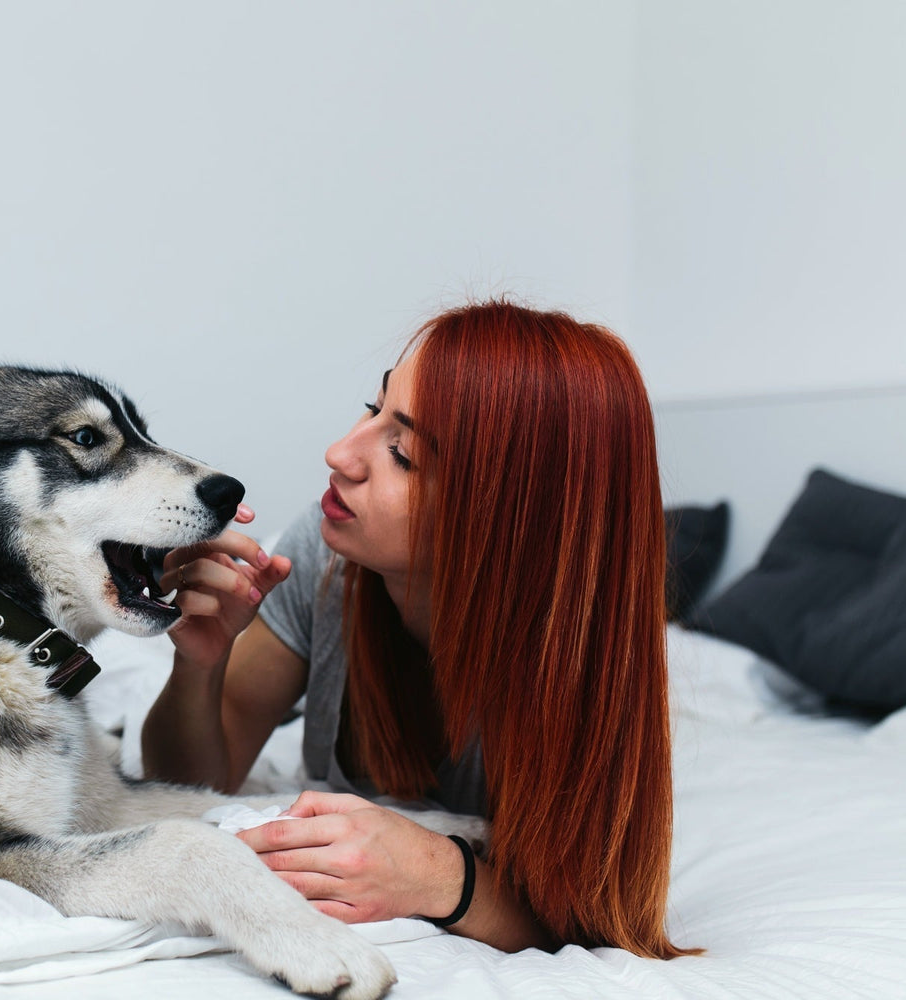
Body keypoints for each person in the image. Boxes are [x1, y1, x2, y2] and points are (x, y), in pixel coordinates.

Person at [141, 300, 697, 958]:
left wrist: (441, 877)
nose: (340, 453)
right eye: (372, 409)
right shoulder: (326, 562)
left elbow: (605, 920)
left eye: (402, 453)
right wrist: (200, 665)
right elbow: (194, 781)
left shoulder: (576, 668)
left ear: (509, 519)